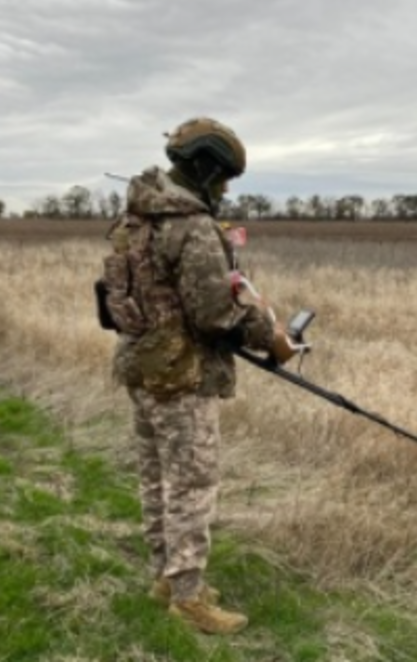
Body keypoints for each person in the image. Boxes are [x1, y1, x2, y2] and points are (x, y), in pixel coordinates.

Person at [99, 117, 297, 635]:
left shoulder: (136, 219)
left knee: (156, 479)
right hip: (182, 376)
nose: (227, 188)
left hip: (140, 365)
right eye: (224, 177)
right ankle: (187, 599)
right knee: (191, 484)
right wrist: (270, 334)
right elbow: (214, 314)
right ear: (206, 170)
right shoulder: (192, 226)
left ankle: (166, 578)